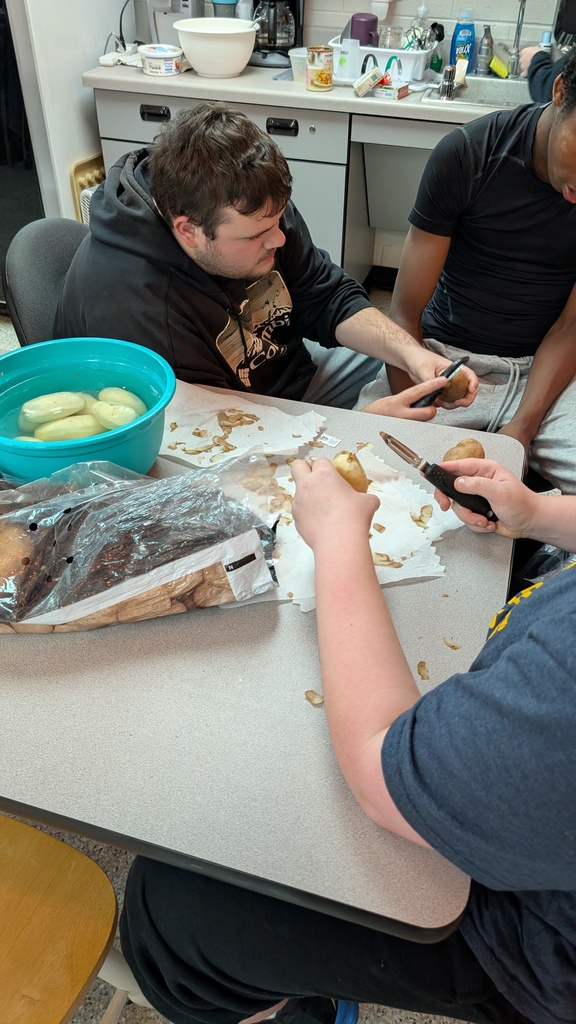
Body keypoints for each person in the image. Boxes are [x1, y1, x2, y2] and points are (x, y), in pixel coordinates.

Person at [117, 453, 576, 1024]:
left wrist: (336, 538)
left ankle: (296, 1005)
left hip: (535, 930)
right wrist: (538, 513)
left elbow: (384, 769)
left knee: (168, 907)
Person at [54, 102, 475, 417]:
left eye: (278, 221)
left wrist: (411, 355)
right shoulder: (135, 302)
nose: (279, 238)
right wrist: (354, 430)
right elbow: (212, 440)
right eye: (257, 235)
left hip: (287, 381)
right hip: (213, 423)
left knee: (411, 351)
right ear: (188, 230)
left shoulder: (254, 205)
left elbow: (326, 295)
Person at [357, 48, 576, 494]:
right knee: (370, 465)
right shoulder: (469, 154)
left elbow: (570, 326)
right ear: (560, 92)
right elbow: (404, 312)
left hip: (544, 375)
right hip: (444, 358)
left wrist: (523, 428)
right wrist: (420, 414)